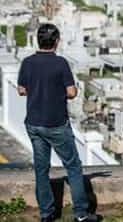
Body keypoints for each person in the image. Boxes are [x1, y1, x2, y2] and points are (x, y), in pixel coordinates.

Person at [17, 24, 98, 222]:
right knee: (72, 166)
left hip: (34, 123)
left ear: (38, 41)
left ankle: (46, 213)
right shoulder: (60, 63)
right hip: (56, 123)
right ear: (56, 42)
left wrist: (37, 89)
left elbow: (21, 90)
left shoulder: (27, 62)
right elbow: (71, 92)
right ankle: (80, 214)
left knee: (41, 169)